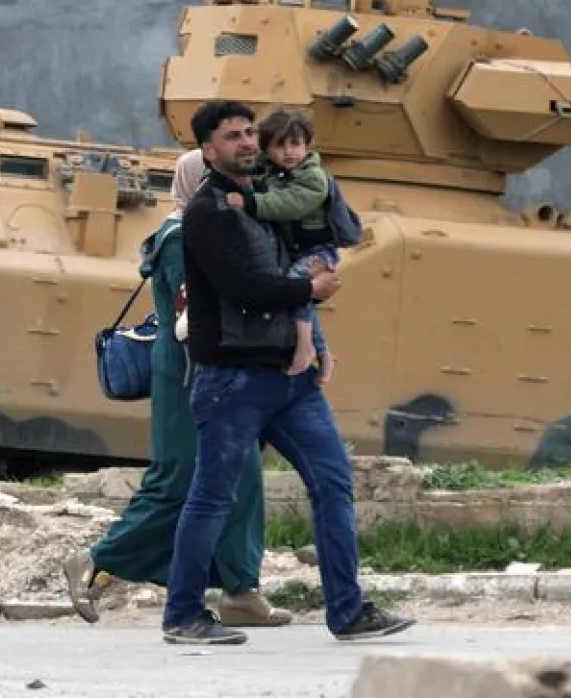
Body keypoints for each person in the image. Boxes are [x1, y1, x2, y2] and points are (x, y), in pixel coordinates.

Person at [161, 99, 415, 646]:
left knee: (333, 483)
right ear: (208, 150)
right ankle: (183, 615)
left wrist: (316, 340)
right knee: (212, 496)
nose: (248, 142)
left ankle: (348, 610)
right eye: (233, 136)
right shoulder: (211, 211)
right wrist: (310, 290)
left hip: (290, 380)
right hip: (233, 378)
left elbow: (298, 257)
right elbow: (243, 287)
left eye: (251, 132)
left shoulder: (267, 200)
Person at [61, 149, 290, 629]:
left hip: (225, 370)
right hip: (190, 374)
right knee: (179, 480)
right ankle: (98, 558)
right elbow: (193, 316)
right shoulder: (180, 237)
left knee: (243, 477)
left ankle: (240, 589)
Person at [224, 107, 346, 383]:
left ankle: (305, 347)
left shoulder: (314, 177)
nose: (289, 152)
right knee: (299, 297)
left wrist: (251, 203)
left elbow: (289, 204)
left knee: (295, 285)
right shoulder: (275, 169)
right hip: (296, 249)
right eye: (279, 145)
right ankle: (324, 353)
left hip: (318, 252)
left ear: (307, 145)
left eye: (296, 144)